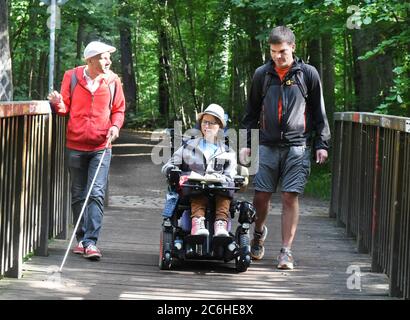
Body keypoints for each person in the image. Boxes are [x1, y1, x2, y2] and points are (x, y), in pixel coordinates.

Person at [240, 26, 331, 270]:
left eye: (282, 52)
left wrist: (321, 143)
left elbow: (319, 112)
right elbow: (250, 113)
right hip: (267, 145)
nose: (278, 57)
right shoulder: (262, 75)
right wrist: (246, 144)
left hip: (297, 146)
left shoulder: (308, 74)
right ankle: (258, 234)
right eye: (273, 52)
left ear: (293, 47)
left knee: (290, 196)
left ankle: (285, 252)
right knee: (261, 196)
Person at [48, 41, 125, 260]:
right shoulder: (71, 77)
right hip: (75, 145)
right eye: (103, 57)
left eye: (109, 57)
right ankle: (81, 240)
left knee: (96, 193)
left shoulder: (113, 81)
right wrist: (57, 103)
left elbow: (119, 109)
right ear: (90, 60)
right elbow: (64, 109)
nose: (108, 61)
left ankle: (91, 242)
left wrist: (115, 126)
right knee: (78, 194)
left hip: (101, 146)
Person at [162, 104, 237, 237]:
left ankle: (221, 225)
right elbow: (169, 164)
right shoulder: (188, 146)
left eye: (211, 123)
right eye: (204, 122)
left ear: (219, 126)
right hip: (195, 187)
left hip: (218, 188)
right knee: (197, 187)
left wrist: (221, 179)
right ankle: (197, 223)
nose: (207, 126)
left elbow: (230, 174)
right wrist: (173, 171)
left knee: (226, 189)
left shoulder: (227, 152)